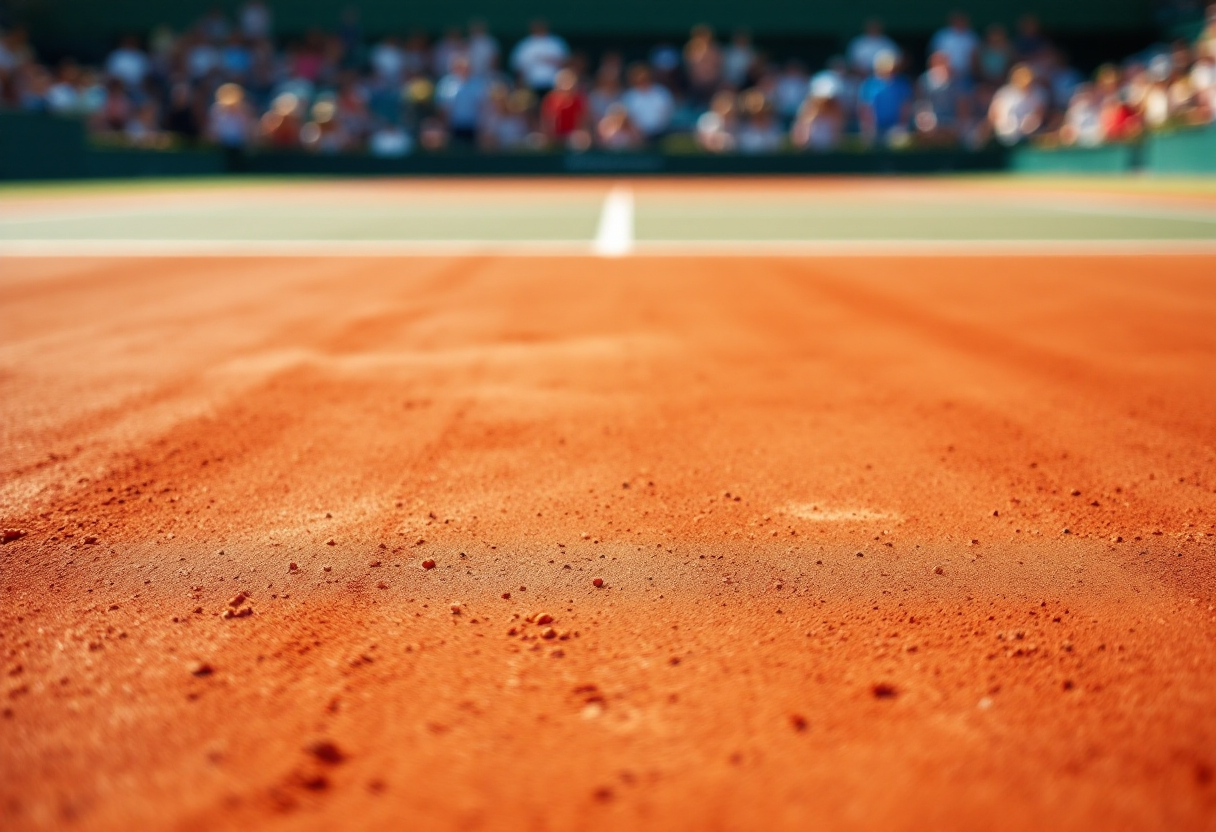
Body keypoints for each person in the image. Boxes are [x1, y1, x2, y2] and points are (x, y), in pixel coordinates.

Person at [914, 51, 973, 144]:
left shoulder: (957, 81)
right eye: (937, 63)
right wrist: (926, 122)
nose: (941, 65)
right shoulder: (923, 81)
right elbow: (921, 105)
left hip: (952, 120)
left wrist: (961, 125)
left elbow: (962, 105)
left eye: (944, 62)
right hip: (931, 120)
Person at [858, 50, 911, 144]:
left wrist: (901, 127)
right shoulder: (869, 84)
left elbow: (905, 107)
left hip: (895, 129)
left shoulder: (901, 83)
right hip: (874, 129)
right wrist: (868, 128)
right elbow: (865, 108)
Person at [434, 55, 487, 145]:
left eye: (467, 67)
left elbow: (482, 106)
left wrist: (482, 128)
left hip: (473, 126)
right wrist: (445, 127)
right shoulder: (446, 84)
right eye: (461, 67)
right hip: (452, 126)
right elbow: (442, 109)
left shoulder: (478, 83)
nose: (464, 70)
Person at [989, 63, 1046, 144]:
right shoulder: (1004, 93)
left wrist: (1028, 126)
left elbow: (1039, 115)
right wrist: (1005, 127)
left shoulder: (1038, 93)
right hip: (1004, 137)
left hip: (1030, 137)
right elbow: (994, 115)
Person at [510, 20, 568, 91]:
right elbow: (518, 66)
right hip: (531, 84)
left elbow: (565, 63)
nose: (539, 29)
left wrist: (548, 60)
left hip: (554, 84)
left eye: (541, 27)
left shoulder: (556, 43)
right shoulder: (524, 45)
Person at [621, 63, 673, 142]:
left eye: (644, 77)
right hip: (637, 136)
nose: (641, 80)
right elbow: (626, 118)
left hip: (662, 134)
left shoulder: (662, 92)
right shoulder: (629, 96)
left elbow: (668, 114)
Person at [540, 68, 587, 145]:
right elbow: (546, 122)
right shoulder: (550, 99)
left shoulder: (579, 99)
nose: (567, 86)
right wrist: (550, 136)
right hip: (553, 136)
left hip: (572, 136)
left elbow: (582, 121)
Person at [930, 12, 980, 79]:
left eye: (961, 19)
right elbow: (936, 55)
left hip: (967, 74)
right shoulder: (942, 36)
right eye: (957, 19)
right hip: (944, 74)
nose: (959, 22)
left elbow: (975, 57)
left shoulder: (972, 37)